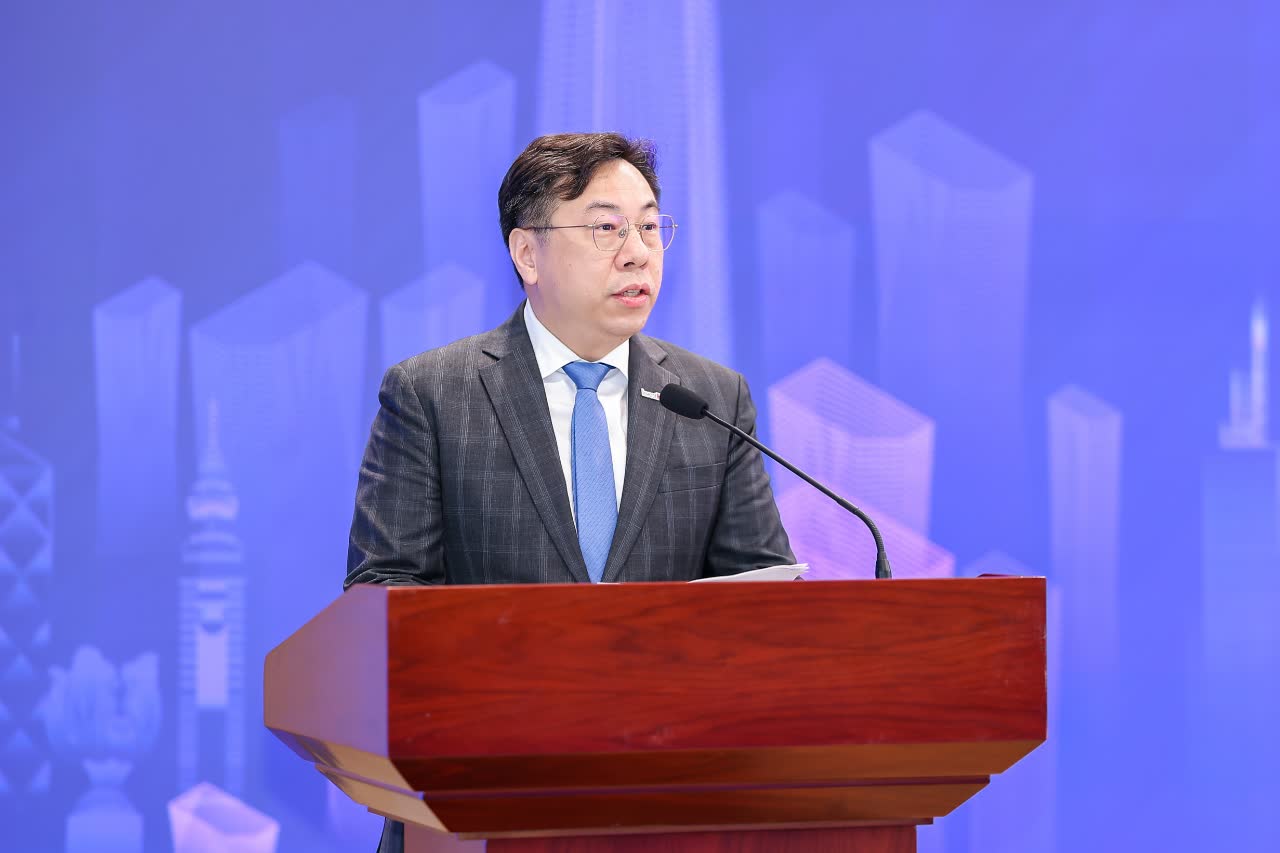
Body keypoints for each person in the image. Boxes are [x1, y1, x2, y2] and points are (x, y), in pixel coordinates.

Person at [344, 132, 793, 852]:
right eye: (606, 228)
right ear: (528, 254)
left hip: (672, 807)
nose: (638, 253)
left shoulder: (710, 398)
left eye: (650, 227)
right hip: (478, 801)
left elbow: (763, 600)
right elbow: (384, 597)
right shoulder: (434, 394)